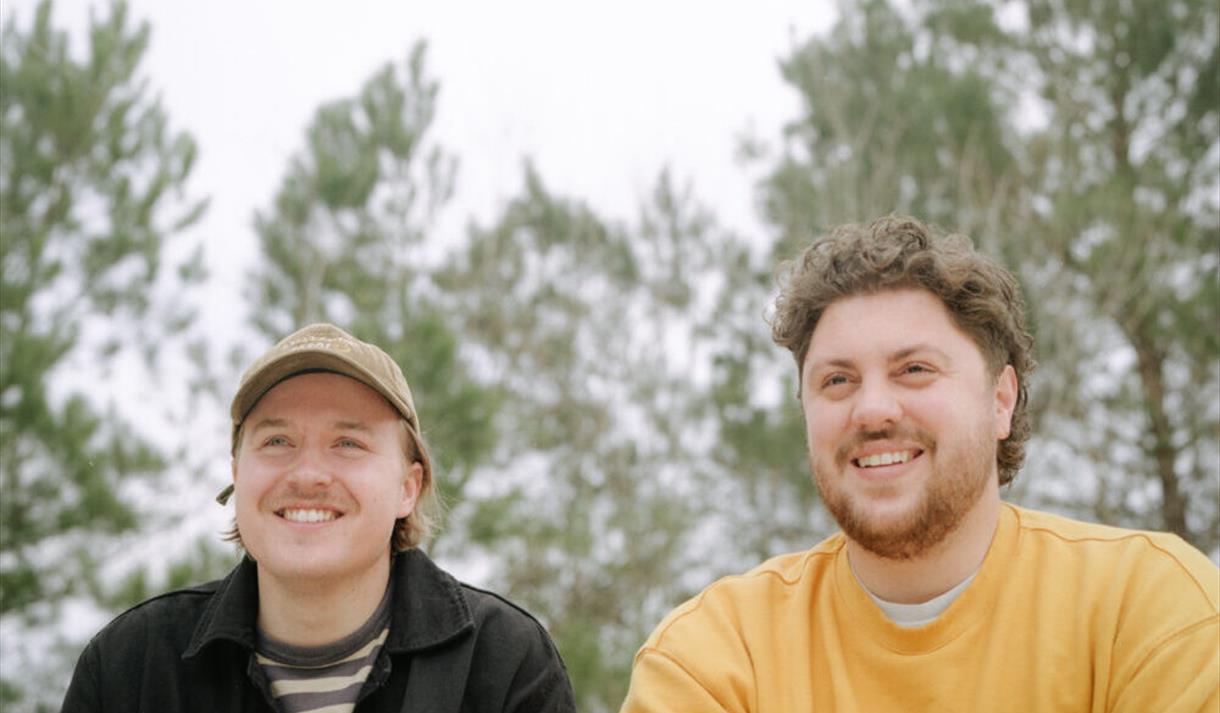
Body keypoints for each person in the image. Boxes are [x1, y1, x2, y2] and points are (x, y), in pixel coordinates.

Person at [620, 216, 1219, 712]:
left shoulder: (1148, 611)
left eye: (914, 370)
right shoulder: (715, 658)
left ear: (1000, 400)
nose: (872, 409)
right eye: (837, 380)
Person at [63, 323, 576, 712]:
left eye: (348, 443)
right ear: (237, 475)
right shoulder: (130, 667)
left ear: (408, 487)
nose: (307, 473)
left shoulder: (505, 664)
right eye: (277, 441)